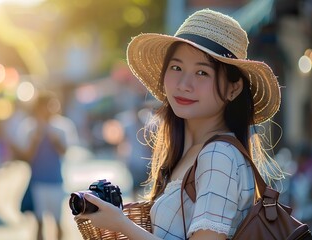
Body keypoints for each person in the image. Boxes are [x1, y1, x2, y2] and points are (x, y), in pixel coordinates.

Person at [75, 8, 284, 239]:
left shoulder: (218, 155)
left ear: (233, 88)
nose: (184, 84)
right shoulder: (189, 150)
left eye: (202, 73)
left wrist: (122, 225)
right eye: (176, 68)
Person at [12, 91, 79, 240]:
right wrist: (35, 139)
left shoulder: (62, 126)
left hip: (56, 180)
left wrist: (54, 138)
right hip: (37, 181)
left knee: (58, 222)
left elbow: (65, 152)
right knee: (39, 223)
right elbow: (26, 156)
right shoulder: (30, 126)